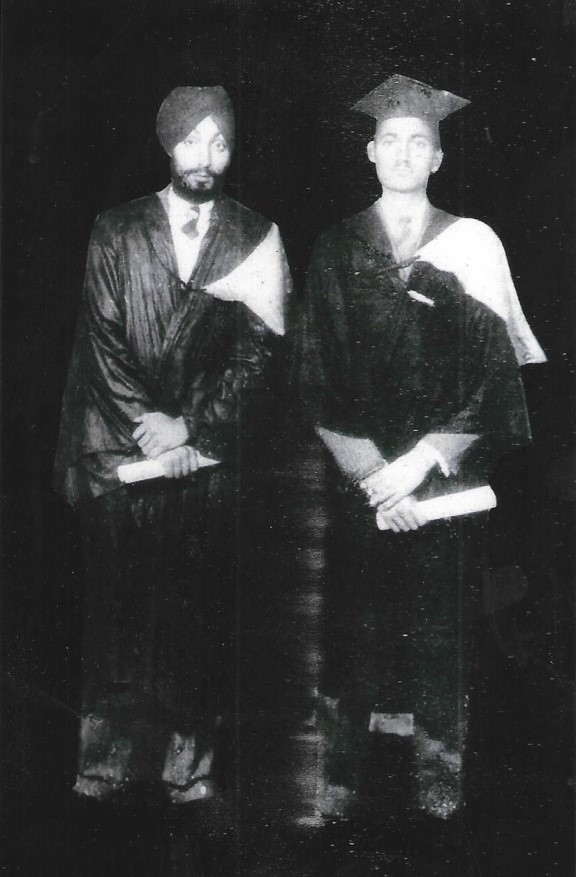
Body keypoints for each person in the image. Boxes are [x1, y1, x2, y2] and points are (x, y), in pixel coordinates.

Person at [296, 74, 545, 823]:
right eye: (390, 141)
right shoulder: (336, 248)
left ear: (438, 158)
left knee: (440, 637)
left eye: (419, 143)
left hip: (443, 487)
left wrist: (420, 464)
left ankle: (438, 792)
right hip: (362, 488)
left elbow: (496, 383)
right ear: (371, 153)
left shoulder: (474, 244)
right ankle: (341, 790)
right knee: (353, 634)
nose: (403, 154)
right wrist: (375, 476)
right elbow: (314, 378)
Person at [55, 86, 291, 807]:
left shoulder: (256, 235)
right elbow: (101, 341)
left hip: (205, 454)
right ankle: (104, 765)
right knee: (118, 610)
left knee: (196, 613)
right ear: (167, 144)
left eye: (219, 142)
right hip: (121, 449)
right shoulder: (116, 229)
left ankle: (188, 768)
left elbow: (261, 352)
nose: (205, 157)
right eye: (191, 141)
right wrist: (150, 425)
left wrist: (192, 427)